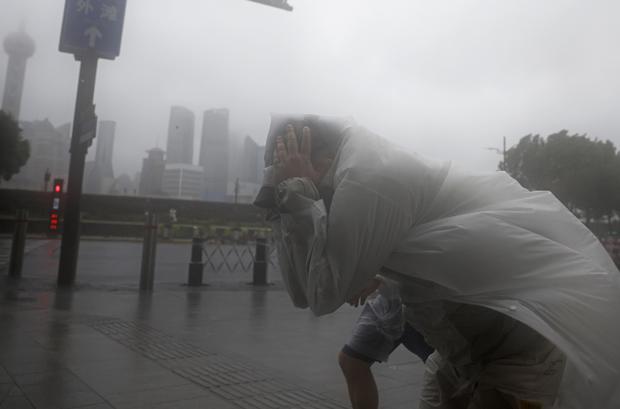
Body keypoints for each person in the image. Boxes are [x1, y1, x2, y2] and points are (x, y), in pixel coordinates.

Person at [254, 114, 620, 408]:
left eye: (293, 166)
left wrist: (300, 193)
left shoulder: (367, 175)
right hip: (458, 354)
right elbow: (304, 294)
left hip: (518, 355)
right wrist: (284, 205)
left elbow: (322, 297)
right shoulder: (349, 178)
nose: (290, 177)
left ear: (318, 154)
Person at [339, 276, 434, 409]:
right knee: (351, 361)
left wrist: (382, 277)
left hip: (427, 300)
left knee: (449, 372)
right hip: (389, 301)